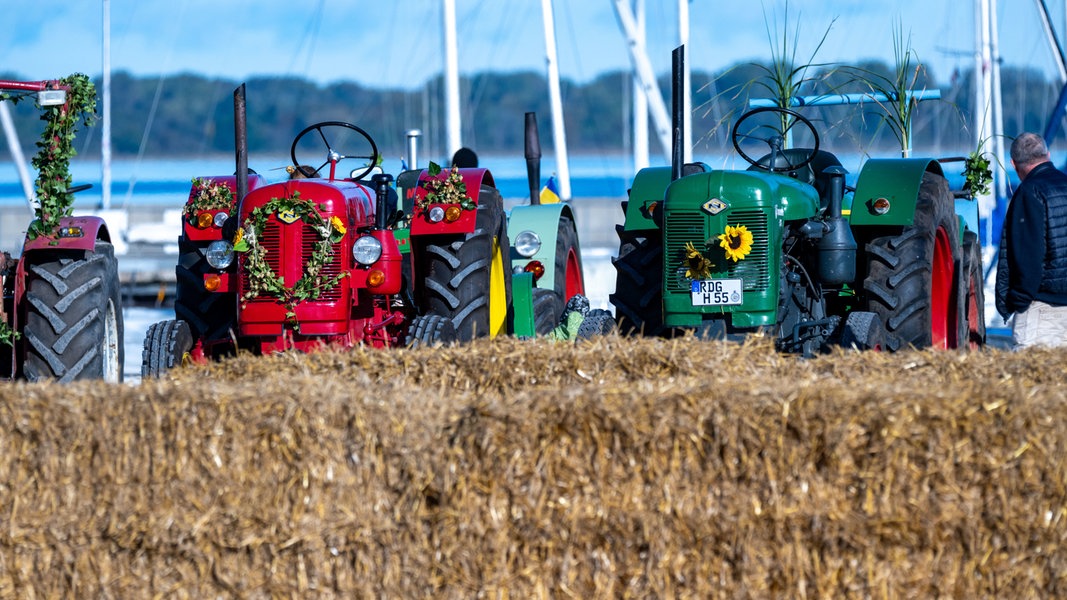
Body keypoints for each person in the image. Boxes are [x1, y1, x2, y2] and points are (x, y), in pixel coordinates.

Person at [994, 132, 1067, 349]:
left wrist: (1017, 300)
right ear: (1048, 154)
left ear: (1013, 164)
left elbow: (1028, 257)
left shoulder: (1029, 192)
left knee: (1029, 380)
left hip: (1041, 309)